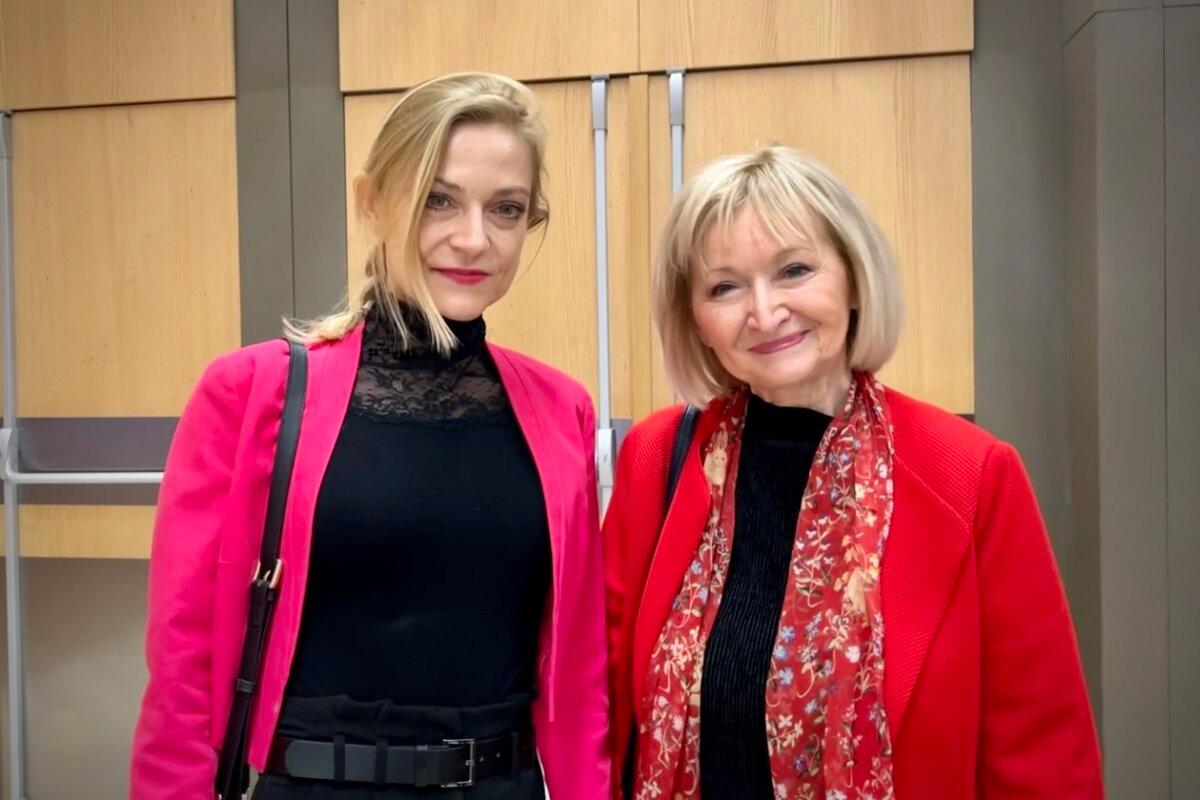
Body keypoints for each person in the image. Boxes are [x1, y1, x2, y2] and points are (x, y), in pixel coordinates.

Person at [131, 72, 609, 799]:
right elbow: (184, 668)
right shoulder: (250, 394)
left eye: (506, 209)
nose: (472, 238)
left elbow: (580, 678)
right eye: (438, 200)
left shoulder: (560, 410)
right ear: (374, 202)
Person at [604, 146, 1102, 799]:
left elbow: (1041, 752)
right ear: (695, 321)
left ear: (854, 278)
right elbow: (600, 707)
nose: (764, 311)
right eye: (724, 286)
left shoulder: (970, 474)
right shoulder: (657, 458)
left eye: (794, 270)